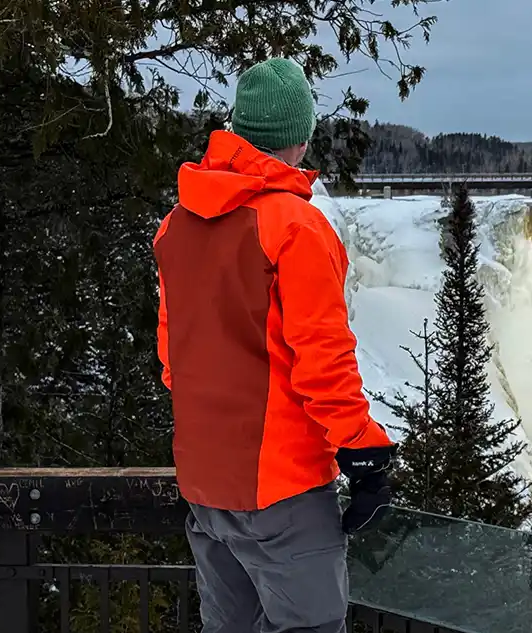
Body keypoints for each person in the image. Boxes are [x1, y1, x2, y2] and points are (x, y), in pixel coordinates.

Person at [153, 57, 396, 633]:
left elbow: (172, 361)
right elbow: (323, 360)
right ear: (302, 138)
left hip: (207, 487)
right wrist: (362, 451)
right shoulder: (296, 227)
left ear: (238, 131)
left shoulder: (175, 227)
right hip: (283, 490)